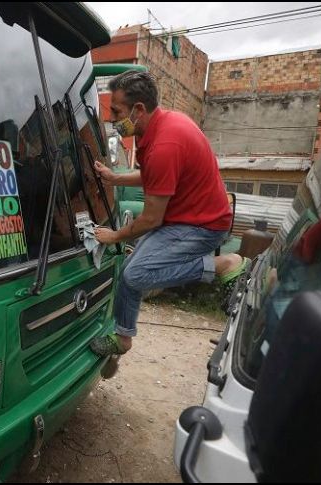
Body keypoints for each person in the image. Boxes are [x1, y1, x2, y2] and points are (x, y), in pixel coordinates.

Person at [90, 71, 249, 357]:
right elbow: (154, 175)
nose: (113, 119)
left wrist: (114, 235)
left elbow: (151, 219)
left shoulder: (165, 144)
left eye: (117, 111)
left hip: (203, 225)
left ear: (139, 109)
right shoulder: (163, 125)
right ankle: (123, 339)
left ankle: (223, 264)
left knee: (136, 275)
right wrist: (115, 178)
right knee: (130, 272)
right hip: (184, 216)